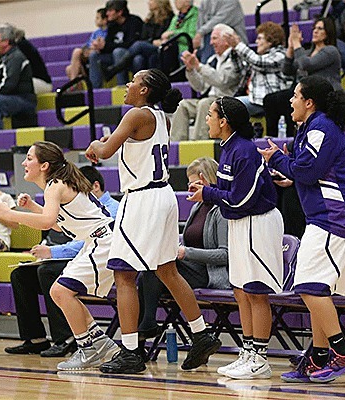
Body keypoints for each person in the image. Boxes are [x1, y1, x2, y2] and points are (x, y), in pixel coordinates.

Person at [86, 69, 221, 374]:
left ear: (144, 89)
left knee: (123, 274)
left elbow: (105, 151)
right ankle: (200, 334)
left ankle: (131, 351)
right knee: (168, 271)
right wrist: (108, 141)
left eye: (132, 80)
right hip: (164, 197)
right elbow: (130, 143)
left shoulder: (135, 115)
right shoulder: (161, 118)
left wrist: (95, 144)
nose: (127, 85)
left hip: (142, 199)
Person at [259, 76, 345, 383]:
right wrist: (292, 174)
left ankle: (343, 351)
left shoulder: (321, 128)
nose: (290, 101)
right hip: (327, 217)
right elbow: (314, 171)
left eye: (295, 96)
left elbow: (308, 168)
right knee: (314, 287)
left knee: (308, 286)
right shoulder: (311, 128)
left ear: (309, 102)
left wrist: (279, 159)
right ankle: (320, 357)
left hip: (337, 218)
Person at [0, 141, 119, 371]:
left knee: (60, 291)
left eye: (29, 158)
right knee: (61, 292)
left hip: (104, 241)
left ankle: (87, 348)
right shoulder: (57, 185)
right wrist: (33, 207)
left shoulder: (55, 185)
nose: (24, 162)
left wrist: (10, 213)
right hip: (97, 241)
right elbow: (62, 226)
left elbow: (47, 222)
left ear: (43, 166)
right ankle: (101, 344)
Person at [187, 96, 284, 380]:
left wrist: (209, 194)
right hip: (241, 223)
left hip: (258, 222)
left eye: (210, 115)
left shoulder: (244, 151)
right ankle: (249, 351)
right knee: (241, 291)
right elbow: (231, 194)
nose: (207, 120)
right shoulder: (227, 149)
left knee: (256, 291)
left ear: (224, 121)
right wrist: (211, 189)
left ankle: (261, 358)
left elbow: (241, 199)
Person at [138, 157, 229, 342]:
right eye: (189, 184)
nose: (190, 189)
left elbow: (225, 255)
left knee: (157, 269)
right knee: (151, 266)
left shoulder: (221, 210)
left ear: (207, 180)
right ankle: (143, 330)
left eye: (194, 183)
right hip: (189, 267)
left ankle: (145, 328)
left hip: (209, 273)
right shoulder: (198, 206)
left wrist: (186, 252)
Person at [264, 17, 342, 138]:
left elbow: (307, 65)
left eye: (320, 28)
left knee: (290, 99)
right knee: (271, 100)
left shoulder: (331, 51)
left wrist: (296, 43)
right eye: (314, 28)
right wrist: (290, 47)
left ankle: (294, 136)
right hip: (304, 93)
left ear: (328, 32)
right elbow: (287, 70)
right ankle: (272, 135)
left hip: (323, 94)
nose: (315, 31)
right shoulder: (306, 53)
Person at [170, 23, 243, 141]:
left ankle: (199, 144)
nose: (211, 43)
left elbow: (222, 80)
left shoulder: (235, 57)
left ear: (226, 40)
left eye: (214, 38)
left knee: (206, 104)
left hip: (227, 100)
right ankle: (176, 145)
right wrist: (191, 70)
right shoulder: (212, 60)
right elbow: (200, 86)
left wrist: (199, 66)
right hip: (210, 99)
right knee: (182, 105)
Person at [225, 21, 289, 117]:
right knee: (222, 105)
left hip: (268, 101)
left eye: (259, 38)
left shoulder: (281, 55)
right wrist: (234, 50)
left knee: (229, 107)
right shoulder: (261, 56)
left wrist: (238, 45)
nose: (256, 42)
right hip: (254, 99)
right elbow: (241, 70)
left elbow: (258, 62)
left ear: (270, 40)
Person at [103, 0, 174, 81]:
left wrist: (158, 41)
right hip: (148, 46)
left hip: (161, 48)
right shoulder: (149, 19)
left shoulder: (169, 18)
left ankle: (114, 69)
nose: (148, 2)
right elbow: (143, 37)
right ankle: (136, 85)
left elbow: (168, 34)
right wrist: (152, 41)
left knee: (138, 45)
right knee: (138, 59)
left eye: (151, 0)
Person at [88, 0, 143, 88]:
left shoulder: (134, 22)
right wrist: (100, 46)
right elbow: (108, 45)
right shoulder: (112, 25)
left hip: (129, 55)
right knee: (94, 55)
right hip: (114, 55)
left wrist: (107, 46)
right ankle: (94, 90)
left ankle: (121, 86)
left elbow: (131, 43)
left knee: (118, 52)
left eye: (110, 11)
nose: (107, 13)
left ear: (120, 12)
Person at [65, 8, 108, 85]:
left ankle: (72, 84)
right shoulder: (96, 32)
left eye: (98, 18)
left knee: (72, 65)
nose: (95, 20)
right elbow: (86, 46)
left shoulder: (109, 32)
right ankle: (75, 86)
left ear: (104, 20)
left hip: (97, 57)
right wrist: (88, 50)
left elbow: (104, 46)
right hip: (87, 56)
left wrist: (95, 47)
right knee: (69, 68)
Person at [11, 25, 53, 94]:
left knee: (15, 86)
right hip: (36, 80)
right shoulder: (21, 45)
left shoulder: (22, 46)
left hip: (40, 81)